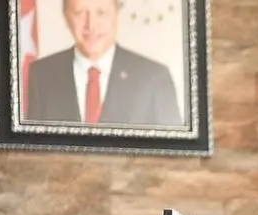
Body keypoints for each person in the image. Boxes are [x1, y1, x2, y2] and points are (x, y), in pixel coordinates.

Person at [25, 0, 183, 127]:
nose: (91, 25)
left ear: (117, 14)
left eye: (101, 12)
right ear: (66, 17)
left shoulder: (154, 78)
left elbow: (172, 152)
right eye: (79, 13)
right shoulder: (41, 75)